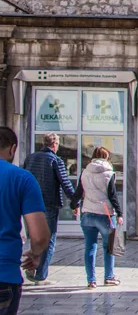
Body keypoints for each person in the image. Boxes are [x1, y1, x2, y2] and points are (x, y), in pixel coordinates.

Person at [0, 126, 49, 315]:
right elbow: (39, 236)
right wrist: (35, 254)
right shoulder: (22, 178)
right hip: (4, 274)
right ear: (12, 149)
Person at [21, 133, 75, 284]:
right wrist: (75, 202)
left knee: (34, 237)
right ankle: (40, 276)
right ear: (55, 144)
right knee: (48, 239)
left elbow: (23, 178)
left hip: (30, 204)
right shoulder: (55, 160)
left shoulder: (30, 158)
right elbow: (65, 183)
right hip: (49, 204)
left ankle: (31, 268)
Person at [70, 147, 122, 290]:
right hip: (105, 215)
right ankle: (109, 277)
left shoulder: (84, 172)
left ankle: (91, 280)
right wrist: (120, 213)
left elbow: (79, 192)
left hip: (88, 214)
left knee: (90, 248)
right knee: (109, 248)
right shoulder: (109, 174)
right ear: (107, 158)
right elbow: (113, 195)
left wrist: (74, 205)